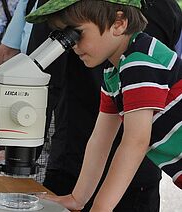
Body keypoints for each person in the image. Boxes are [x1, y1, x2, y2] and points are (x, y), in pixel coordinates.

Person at [25, 0, 182, 211]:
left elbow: (135, 142)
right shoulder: (115, 70)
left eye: (78, 33)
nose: (73, 45)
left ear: (119, 23)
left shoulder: (140, 61)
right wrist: (77, 199)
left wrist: (100, 208)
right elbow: (100, 140)